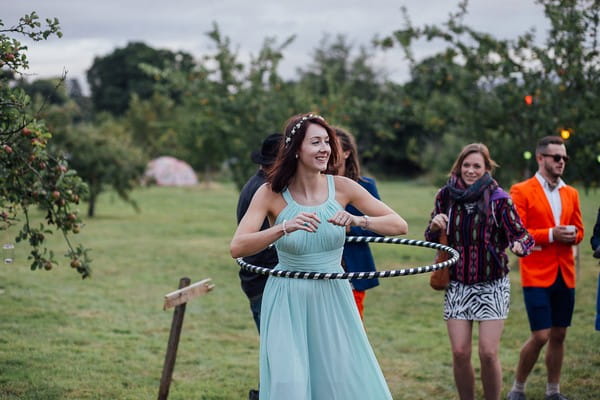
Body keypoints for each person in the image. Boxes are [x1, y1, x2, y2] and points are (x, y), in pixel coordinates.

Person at [230, 112, 408, 400]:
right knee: (290, 383)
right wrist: (282, 228)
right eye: (316, 142)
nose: (325, 148)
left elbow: (399, 225)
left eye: (327, 141)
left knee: (338, 380)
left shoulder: (343, 187)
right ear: (296, 149)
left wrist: (358, 221)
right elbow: (238, 246)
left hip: (333, 294)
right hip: (288, 296)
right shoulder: (270, 193)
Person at [424, 143, 534, 400]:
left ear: (486, 169)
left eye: (477, 166)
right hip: (458, 283)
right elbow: (431, 236)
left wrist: (520, 246)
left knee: (488, 352)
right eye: (467, 165)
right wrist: (434, 225)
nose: (471, 170)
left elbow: (524, 237)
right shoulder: (445, 197)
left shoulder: (499, 200)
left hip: (492, 283)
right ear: (459, 166)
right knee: (460, 352)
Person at [507, 136, 584, 400]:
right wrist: (552, 234)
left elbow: (580, 231)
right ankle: (518, 388)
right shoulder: (521, 190)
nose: (562, 162)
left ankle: (554, 391)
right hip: (536, 274)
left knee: (559, 334)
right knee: (541, 335)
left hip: (566, 273)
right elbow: (519, 231)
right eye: (556, 157)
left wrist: (572, 235)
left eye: (564, 158)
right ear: (541, 158)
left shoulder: (571, 193)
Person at [236, 133, 282, 400]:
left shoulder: (265, 186)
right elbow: (257, 246)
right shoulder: (262, 192)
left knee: (279, 353)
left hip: (261, 282)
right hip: (263, 283)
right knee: (278, 354)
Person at [335, 127, 381, 320]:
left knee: (352, 326)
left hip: (353, 267)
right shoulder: (315, 185)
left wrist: (351, 228)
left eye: (332, 146)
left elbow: (382, 228)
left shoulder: (365, 186)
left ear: (347, 153)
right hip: (322, 268)